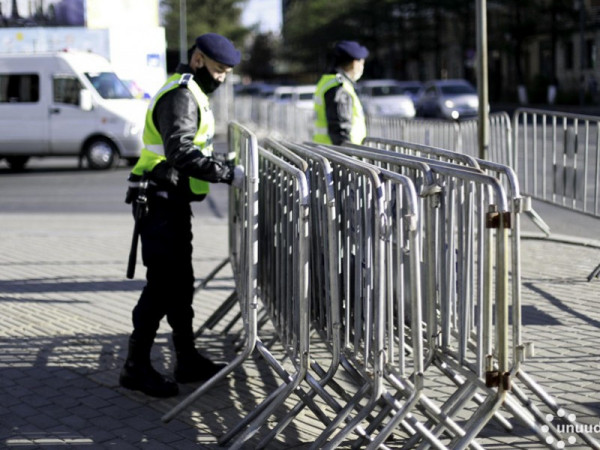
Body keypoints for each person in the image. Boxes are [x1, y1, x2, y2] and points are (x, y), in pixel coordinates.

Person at [120, 33, 244, 398]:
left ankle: (186, 358)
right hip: (159, 201)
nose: (221, 77)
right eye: (218, 69)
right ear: (198, 60)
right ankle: (135, 367)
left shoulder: (192, 92)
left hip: (171, 200)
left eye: (227, 72)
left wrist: (220, 161)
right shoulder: (181, 94)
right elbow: (180, 151)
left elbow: (193, 147)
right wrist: (226, 173)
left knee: (180, 283)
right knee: (161, 285)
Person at [313, 40, 369, 145]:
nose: (362, 67)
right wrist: (348, 153)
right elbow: (340, 132)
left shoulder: (328, 81)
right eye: (362, 63)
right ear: (354, 63)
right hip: (337, 152)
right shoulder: (339, 87)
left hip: (326, 149)